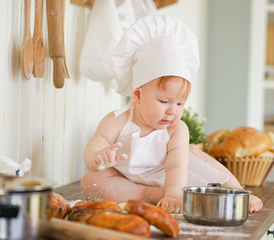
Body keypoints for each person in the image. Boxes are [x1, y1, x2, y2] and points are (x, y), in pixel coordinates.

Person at [81, 14, 263, 213]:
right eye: (163, 101)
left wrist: (174, 193)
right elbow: (95, 145)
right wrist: (98, 157)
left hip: (174, 178)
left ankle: (236, 190)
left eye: (180, 103)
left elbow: (176, 166)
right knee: (90, 181)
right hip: (128, 180)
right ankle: (150, 195)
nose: (172, 110)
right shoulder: (117, 120)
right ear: (137, 95)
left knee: (193, 154)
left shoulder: (176, 129)